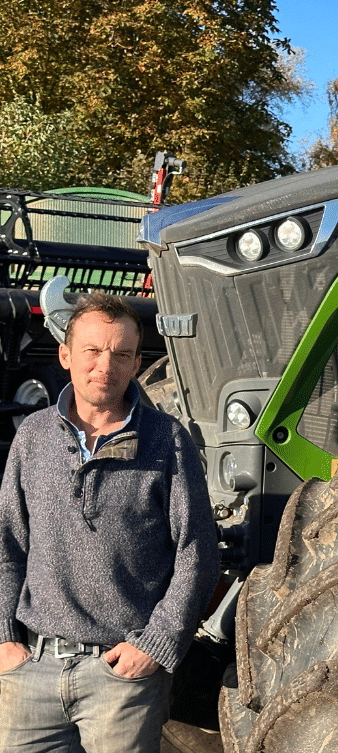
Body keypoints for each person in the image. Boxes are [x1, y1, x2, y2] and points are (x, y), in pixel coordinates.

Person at [0, 292, 220, 752]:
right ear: (65, 356)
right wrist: (3, 638)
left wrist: (155, 645)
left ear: (138, 362)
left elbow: (197, 554)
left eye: (121, 354)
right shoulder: (33, 438)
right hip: (31, 672)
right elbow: (7, 545)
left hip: (120, 678)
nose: (106, 365)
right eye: (93, 351)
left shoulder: (167, 441)